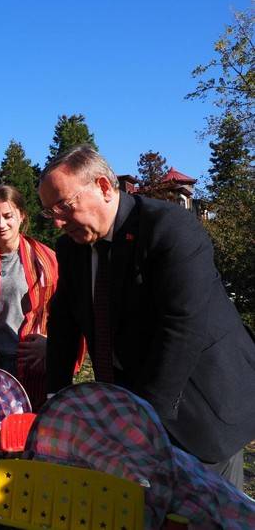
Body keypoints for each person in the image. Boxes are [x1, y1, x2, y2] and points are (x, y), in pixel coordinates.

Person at [38, 145, 255, 489]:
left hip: (201, 401)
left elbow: (182, 327)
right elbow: (64, 321)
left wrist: (142, 421)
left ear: (104, 188)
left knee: (204, 510)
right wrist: (55, 400)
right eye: (51, 212)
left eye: (64, 205)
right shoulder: (71, 248)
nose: (59, 222)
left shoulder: (169, 228)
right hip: (136, 402)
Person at [0, 184, 83, 411]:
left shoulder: (49, 261)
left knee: (34, 435)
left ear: (21, 215)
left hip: (36, 368)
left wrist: (52, 345)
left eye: (8, 216)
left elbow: (75, 313)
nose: (1, 224)